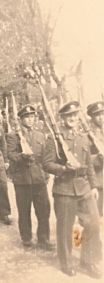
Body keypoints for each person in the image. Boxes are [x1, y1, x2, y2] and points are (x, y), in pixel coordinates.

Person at [43, 100, 102, 278]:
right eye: (69, 116)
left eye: (75, 115)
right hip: (65, 189)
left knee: (93, 224)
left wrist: (93, 186)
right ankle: (67, 263)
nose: (73, 118)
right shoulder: (54, 138)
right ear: (63, 118)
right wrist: (63, 169)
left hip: (84, 187)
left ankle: (88, 261)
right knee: (65, 229)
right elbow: (46, 164)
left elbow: (89, 165)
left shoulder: (84, 137)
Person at [7, 104, 53, 249]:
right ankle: (26, 237)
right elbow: (10, 154)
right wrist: (22, 156)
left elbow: (44, 157)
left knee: (44, 209)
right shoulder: (13, 136)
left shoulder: (40, 135)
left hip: (38, 177)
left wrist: (46, 174)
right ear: (20, 119)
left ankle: (43, 238)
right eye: (27, 117)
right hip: (22, 179)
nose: (30, 120)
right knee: (24, 209)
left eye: (32, 117)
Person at [87, 101, 104, 217]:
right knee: (96, 215)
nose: (101, 117)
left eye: (102, 114)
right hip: (98, 180)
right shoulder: (88, 134)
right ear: (92, 117)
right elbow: (84, 159)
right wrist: (97, 158)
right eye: (97, 115)